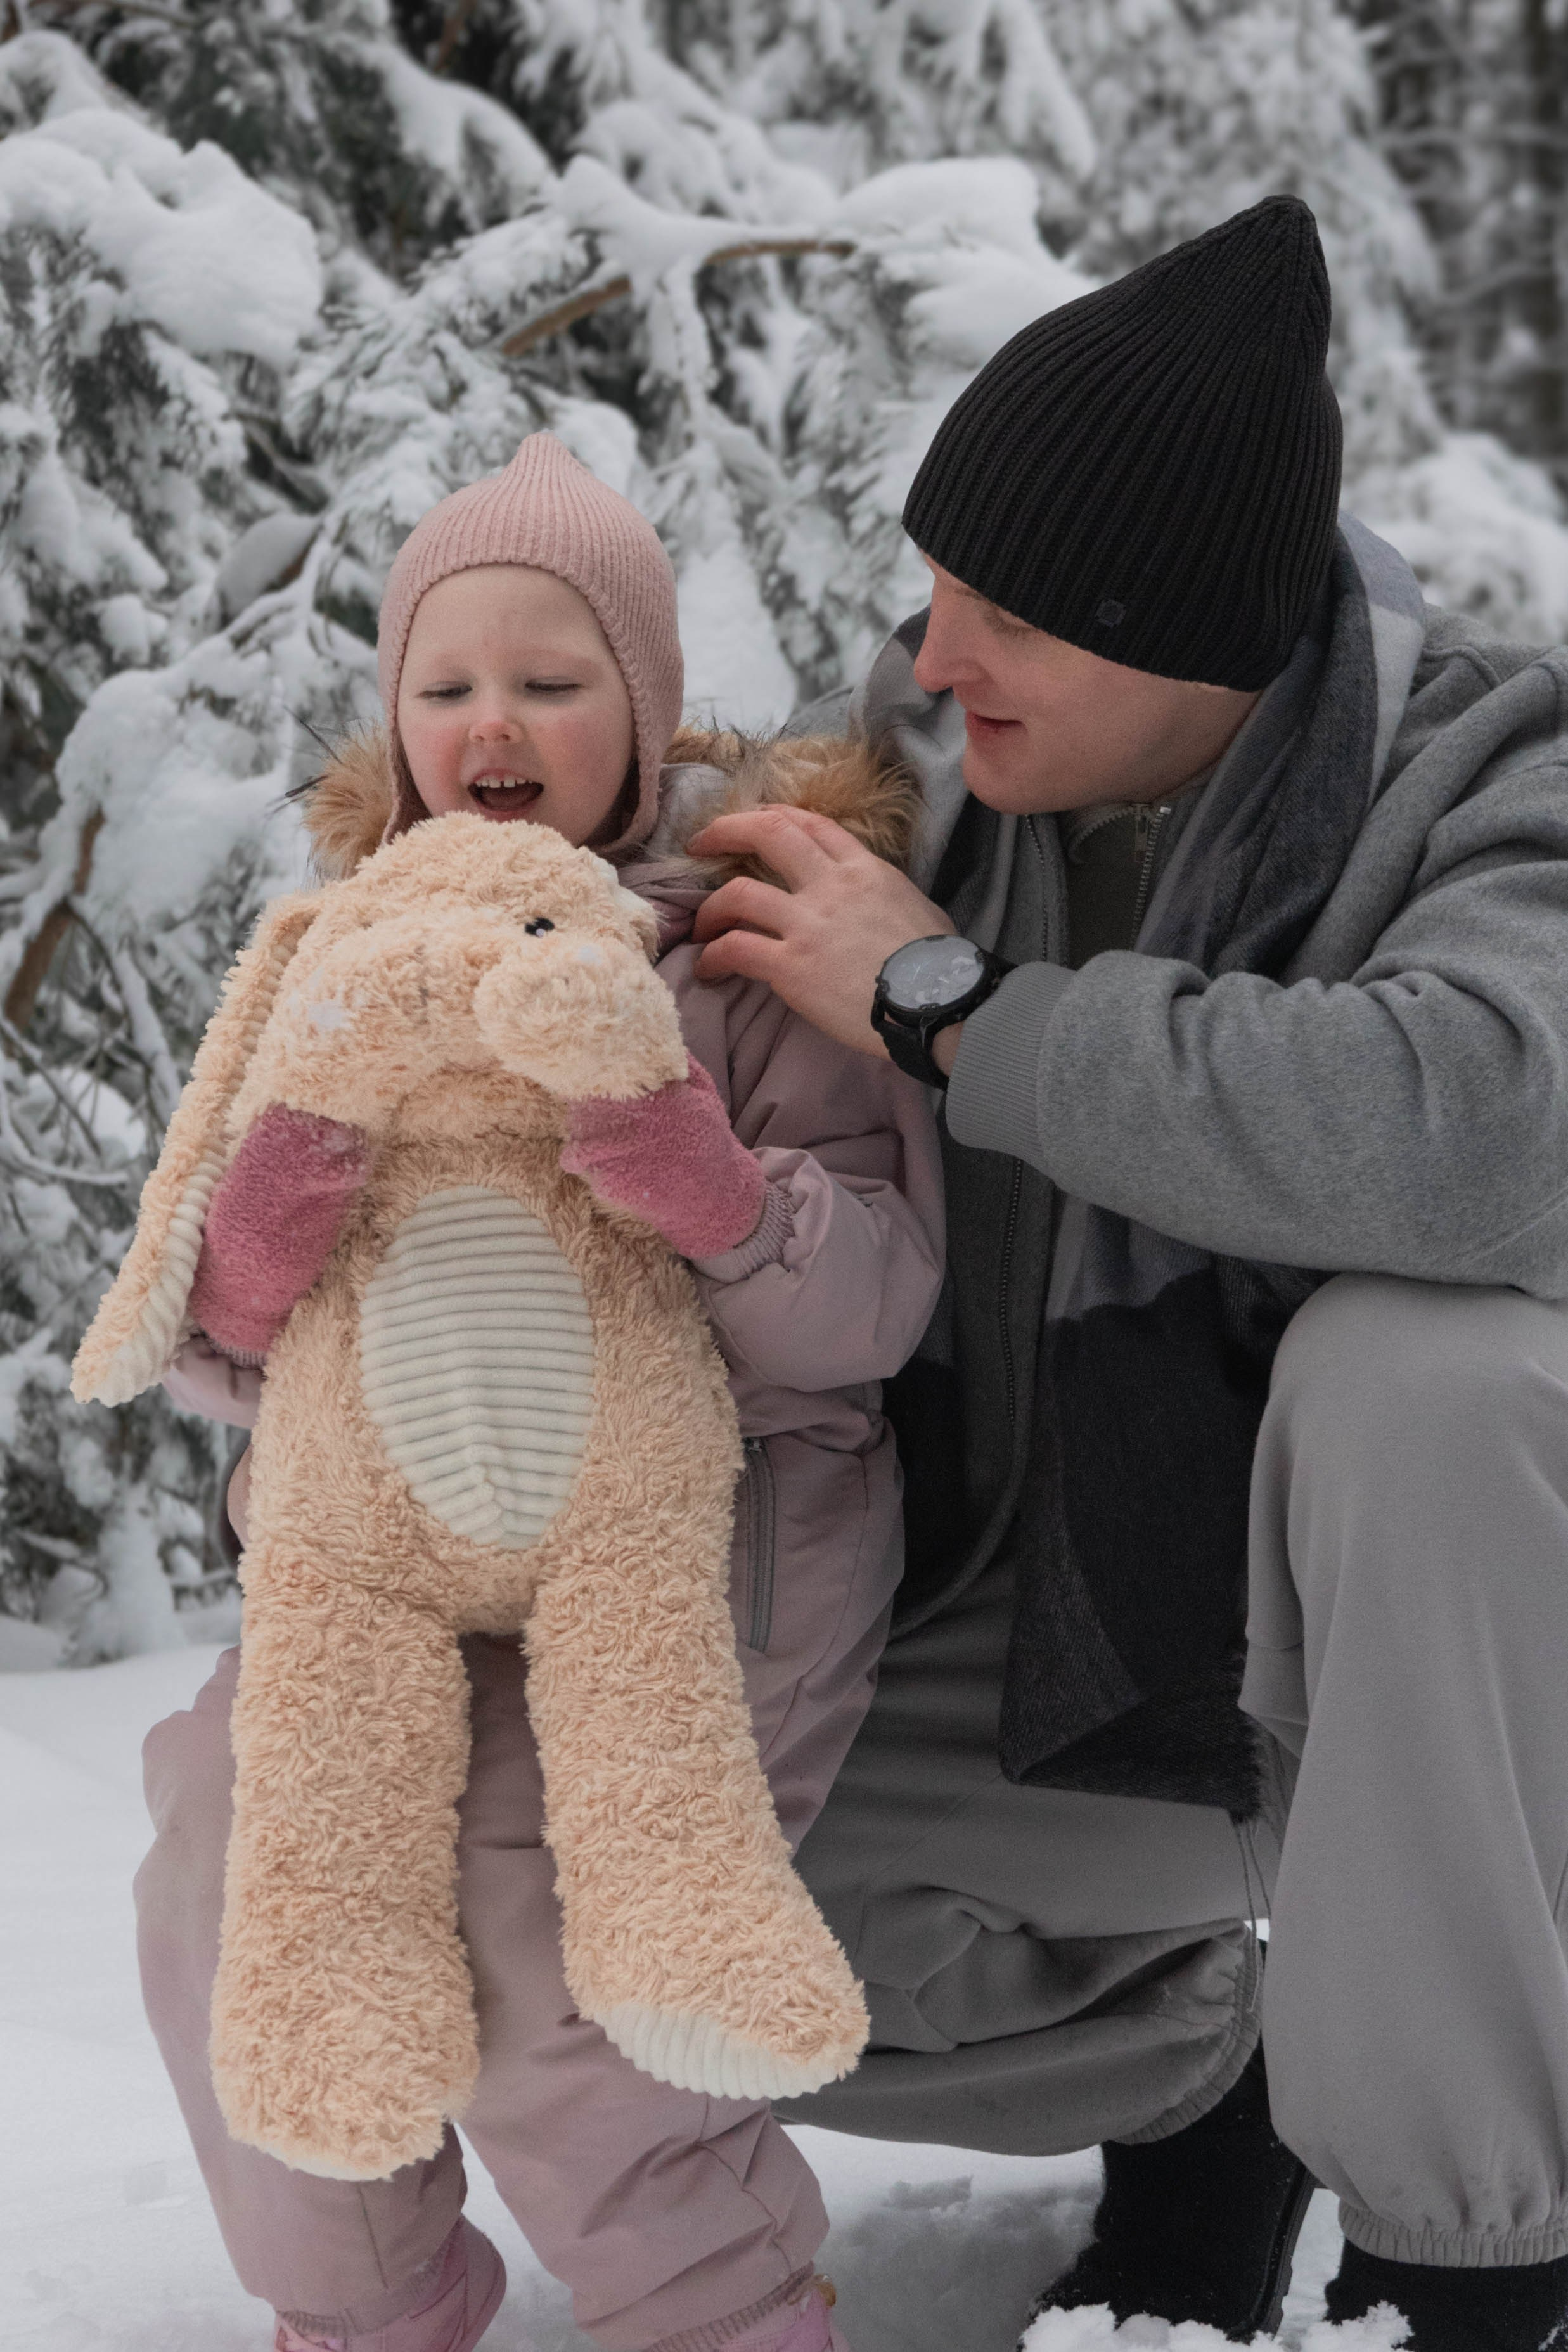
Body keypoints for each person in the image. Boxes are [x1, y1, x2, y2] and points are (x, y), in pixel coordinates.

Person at [687, 197, 1568, 2352]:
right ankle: (1219, 2070)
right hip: (1025, 1650)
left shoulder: (1487, 770)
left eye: (1003, 615)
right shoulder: (903, 784)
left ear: (1194, 639)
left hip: (1399, 1693)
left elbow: (1483, 1131)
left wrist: (961, 1018)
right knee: (572, 1919)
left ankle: (1469, 2265)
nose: (929, 658)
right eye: (933, 586)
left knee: (1428, 1377)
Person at [141, 432, 944, 2352]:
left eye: (550, 679)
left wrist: (704, 1183)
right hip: (388, 1553)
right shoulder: (340, 959)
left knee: (551, 1923)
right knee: (237, 1867)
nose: (490, 723)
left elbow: (876, 1308)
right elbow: (226, 1339)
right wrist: (280, 1202)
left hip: (699, 1546)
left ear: (642, 709)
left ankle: (719, 2308)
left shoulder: (750, 947)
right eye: (446, 685)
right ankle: (364, 2304)